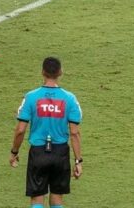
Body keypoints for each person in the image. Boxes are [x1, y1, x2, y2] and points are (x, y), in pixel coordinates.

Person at [9, 57, 83, 208]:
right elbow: (75, 133)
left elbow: (20, 130)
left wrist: (14, 152)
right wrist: (78, 161)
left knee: (37, 199)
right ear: (60, 72)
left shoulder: (30, 97)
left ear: (42, 72)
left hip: (38, 153)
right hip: (60, 153)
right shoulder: (70, 99)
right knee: (57, 198)